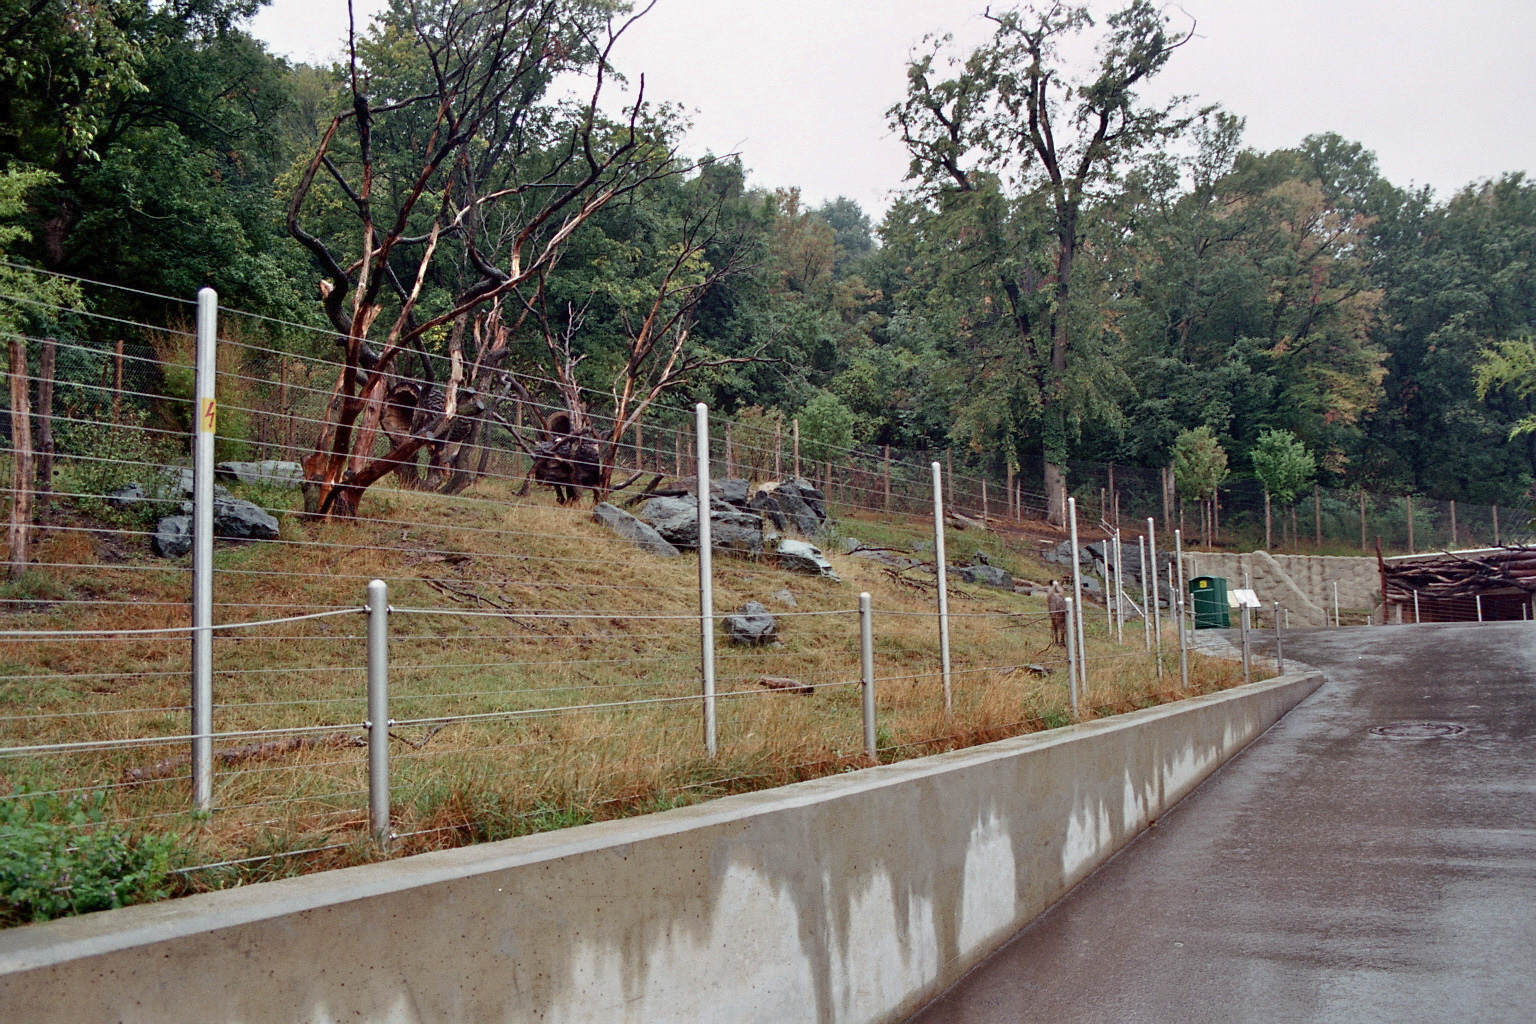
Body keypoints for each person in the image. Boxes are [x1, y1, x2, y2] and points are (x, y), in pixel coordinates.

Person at [1047, 580, 1067, 647]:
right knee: (1062, 623)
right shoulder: (1061, 596)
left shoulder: (1051, 596)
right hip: (1060, 607)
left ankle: (1057, 640)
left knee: (1055, 623)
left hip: (1055, 609)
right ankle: (1061, 640)